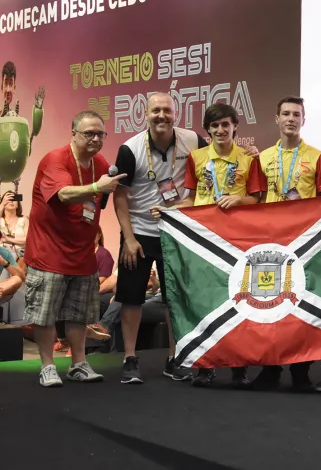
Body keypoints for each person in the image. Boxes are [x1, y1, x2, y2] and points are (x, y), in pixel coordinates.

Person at [114, 93, 258, 384]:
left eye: (166, 110)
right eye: (156, 111)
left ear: (175, 113)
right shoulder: (129, 149)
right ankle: (130, 358)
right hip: (140, 233)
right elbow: (119, 195)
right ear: (145, 114)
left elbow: (221, 157)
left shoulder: (192, 140)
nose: (161, 116)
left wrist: (252, 154)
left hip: (178, 232)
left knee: (174, 299)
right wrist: (128, 238)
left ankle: (174, 357)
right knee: (131, 299)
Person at [23, 110, 124, 387]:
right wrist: (96, 186)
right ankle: (47, 366)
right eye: (88, 133)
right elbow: (65, 194)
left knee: (79, 314)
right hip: (49, 252)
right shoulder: (55, 159)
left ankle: (79, 364)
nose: (94, 138)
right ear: (74, 134)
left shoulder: (100, 162)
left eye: (100, 134)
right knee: (45, 315)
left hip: (82, 254)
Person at [178, 102, 264, 389]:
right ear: (208, 130)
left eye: (225, 124)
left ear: (235, 126)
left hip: (238, 240)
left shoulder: (250, 159)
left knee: (240, 302)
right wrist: (168, 211)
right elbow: (190, 200)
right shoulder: (196, 158)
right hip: (204, 240)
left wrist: (238, 200)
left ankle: (239, 367)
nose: (220, 130)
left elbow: (257, 200)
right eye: (214, 126)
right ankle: (205, 365)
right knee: (205, 303)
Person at [254, 95, 321, 391]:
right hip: (271, 243)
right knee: (269, 304)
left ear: (304, 120)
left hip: (305, 243)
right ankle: (270, 369)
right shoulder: (261, 159)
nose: (290, 118)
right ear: (277, 119)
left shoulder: (317, 157)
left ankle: (301, 370)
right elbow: (256, 201)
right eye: (285, 114)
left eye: (296, 114)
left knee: (301, 307)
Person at [0, 190, 27, 258]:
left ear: (18, 204)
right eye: (8, 199)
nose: (11, 201)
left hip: (19, 255)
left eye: (14, 199)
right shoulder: (1, 219)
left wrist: (8, 239)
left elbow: (28, 240)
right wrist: (2, 204)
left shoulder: (24, 220)